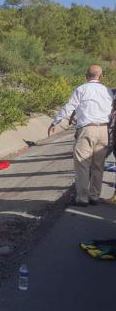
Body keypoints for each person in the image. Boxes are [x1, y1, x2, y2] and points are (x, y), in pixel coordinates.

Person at [48, 65, 114, 207]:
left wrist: (55, 122)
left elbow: (69, 106)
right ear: (100, 77)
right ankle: (94, 196)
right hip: (103, 130)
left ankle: (82, 198)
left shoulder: (82, 89)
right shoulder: (106, 90)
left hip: (87, 129)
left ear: (86, 76)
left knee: (83, 164)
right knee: (98, 166)